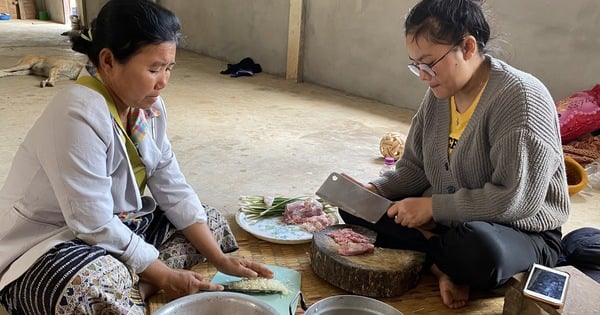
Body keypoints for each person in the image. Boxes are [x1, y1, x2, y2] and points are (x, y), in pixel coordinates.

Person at [0, 1, 273, 314]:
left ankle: (134, 289)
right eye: (154, 69)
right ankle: (136, 285)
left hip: (117, 224)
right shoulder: (76, 112)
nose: (163, 81)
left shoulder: (149, 108)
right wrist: (167, 276)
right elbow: (92, 224)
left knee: (208, 221)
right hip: (49, 242)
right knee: (88, 284)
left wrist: (220, 260)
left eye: (169, 69)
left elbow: (173, 187)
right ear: (108, 61)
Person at [340, 0, 570, 309]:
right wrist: (375, 191)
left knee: (479, 251)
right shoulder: (439, 94)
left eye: (429, 63)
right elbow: (414, 168)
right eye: (415, 65)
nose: (423, 75)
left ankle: (442, 259)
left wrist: (434, 207)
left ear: (468, 46)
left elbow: (515, 200)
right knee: (355, 206)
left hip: (519, 231)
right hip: (450, 224)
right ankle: (442, 267)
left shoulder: (520, 99)